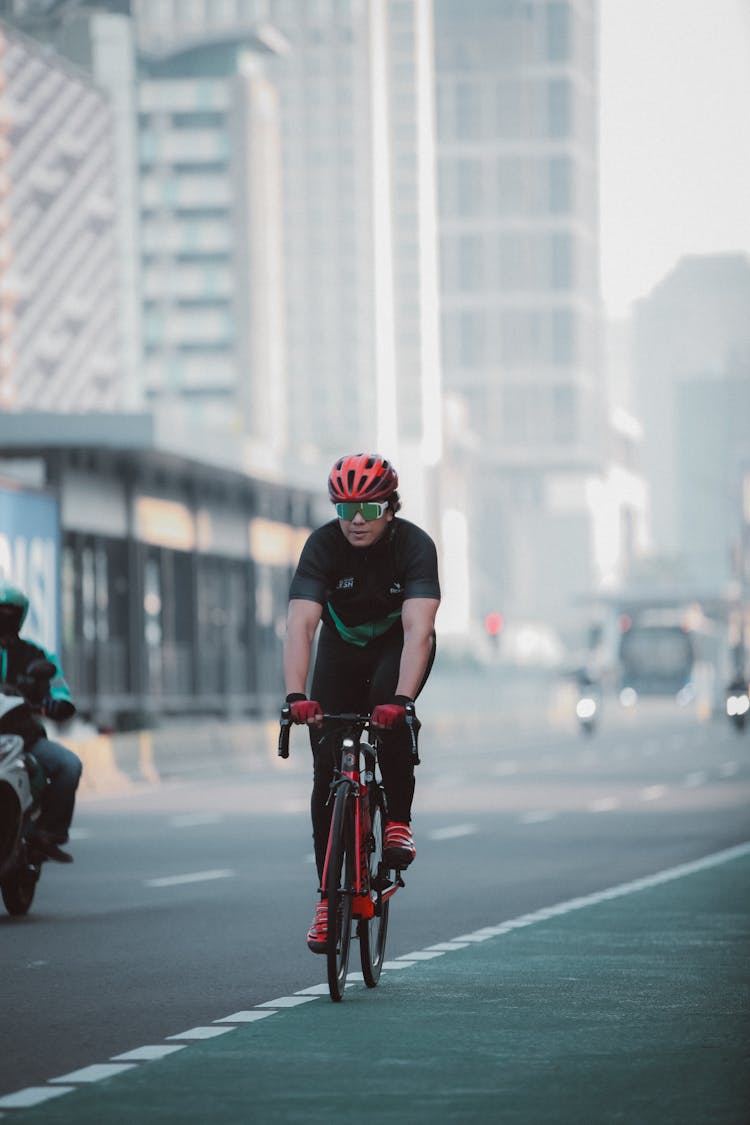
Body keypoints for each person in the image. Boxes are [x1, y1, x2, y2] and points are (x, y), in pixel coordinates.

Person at [282, 453, 441, 952]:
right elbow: (301, 626)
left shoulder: (415, 546)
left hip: (397, 646)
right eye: (345, 508)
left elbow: (419, 630)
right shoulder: (322, 546)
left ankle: (397, 822)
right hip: (342, 648)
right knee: (326, 764)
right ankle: (328, 901)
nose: (355, 521)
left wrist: (402, 699)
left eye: (369, 511)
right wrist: (295, 696)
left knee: (388, 719)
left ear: (389, 510)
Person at [0, 580, 81, 863]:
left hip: (25, 739)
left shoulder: (38, 655)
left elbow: (61, 691)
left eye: (9, 612)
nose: (4, 618)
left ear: (20, 615)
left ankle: (48, 833)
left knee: (69, 765)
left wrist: (56, 702)